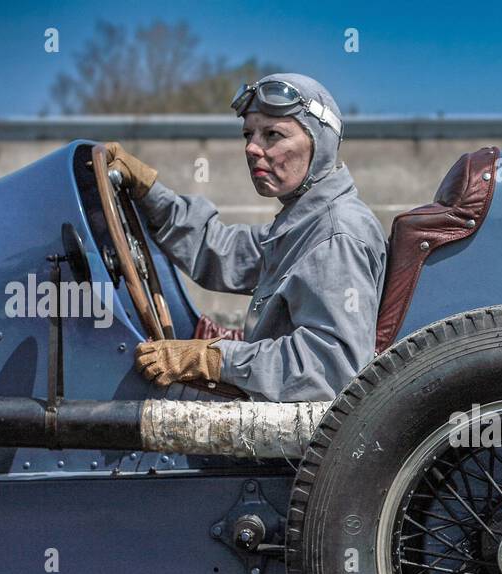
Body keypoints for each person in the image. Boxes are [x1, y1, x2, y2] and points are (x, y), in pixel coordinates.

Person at [103, 73, 387, 402]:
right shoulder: (304, 224)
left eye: (272, 135)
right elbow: (224, 253)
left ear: (318, 143)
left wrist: (212, 359)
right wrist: (152, 194)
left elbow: (330, 368)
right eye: (249, 134)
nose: (252, 148)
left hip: (296, 447)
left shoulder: (337, 235)